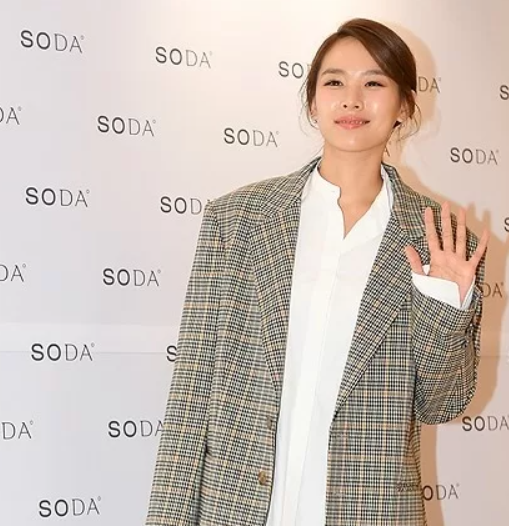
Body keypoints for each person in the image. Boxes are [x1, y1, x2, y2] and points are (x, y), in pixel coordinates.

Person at [146, 17, 489, 526]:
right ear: (312, 102)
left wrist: (446, 303)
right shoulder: (237, 220)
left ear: (404, 106)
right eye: (334, 82)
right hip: (236, 510)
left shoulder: (442, 241)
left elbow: (441, 404)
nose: (351, 100)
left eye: (374, 83)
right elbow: (191, 394)